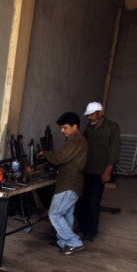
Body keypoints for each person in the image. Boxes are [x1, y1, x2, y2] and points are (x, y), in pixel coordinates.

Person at [37, 111, 88, 255]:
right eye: (61, 128)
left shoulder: (75, 140)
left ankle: (73, 242)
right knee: (66, 214)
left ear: (75, 126)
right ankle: (64, 242)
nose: (62, 131)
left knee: (54, 213)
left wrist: (46, 154)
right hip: (73, 183)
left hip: (68, 184)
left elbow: (61, 157)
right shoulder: (77, 139)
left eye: (65, 127)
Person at [76, 101, 121, 241]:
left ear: (100, 113)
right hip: (86, 169)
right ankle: (82, 227)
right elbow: (82, 142)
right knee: (82, 201)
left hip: (100, 171)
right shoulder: (89, 127)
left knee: (94, 202)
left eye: (92, 114)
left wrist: (108, 170)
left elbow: (114, 149)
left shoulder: (112, 127)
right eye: (88, 115)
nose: (89, 117)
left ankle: (91, 232)